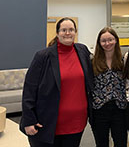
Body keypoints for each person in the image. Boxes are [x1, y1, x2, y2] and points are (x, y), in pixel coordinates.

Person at [20, 17, 94, 147]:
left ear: (75, 32)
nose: (67, 33)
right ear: (57, 33)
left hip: (77, 123)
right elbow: (30, 89)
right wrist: (29, 120)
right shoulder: (43, 56)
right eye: (63, 30)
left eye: (71, 30)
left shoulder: (82, 51)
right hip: (47, 123)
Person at [92, 27, 127, 147]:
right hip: (99, 109)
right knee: (101, 143)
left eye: (110, 39)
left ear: (116, 40)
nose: (107, 43)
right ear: (99, 43)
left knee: (121, 142)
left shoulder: (124, 61)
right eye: (103, 41)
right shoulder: (92, 62)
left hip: (120, 109)